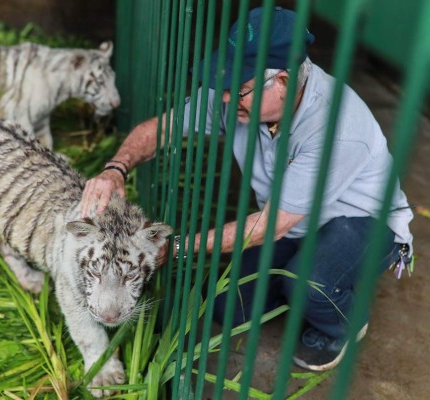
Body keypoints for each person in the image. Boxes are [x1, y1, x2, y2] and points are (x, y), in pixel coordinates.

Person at [80, 6, 414, 372]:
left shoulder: (335, 127)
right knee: (224, 304)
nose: (226, 99)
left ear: (283, 83)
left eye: (239, 90)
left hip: (359, 221)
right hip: (293, 219)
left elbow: (269, 226)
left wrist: (173, 247)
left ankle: (342, 323)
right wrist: (116, 169)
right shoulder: (238, 98)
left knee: (310, 283)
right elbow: (161, 129)